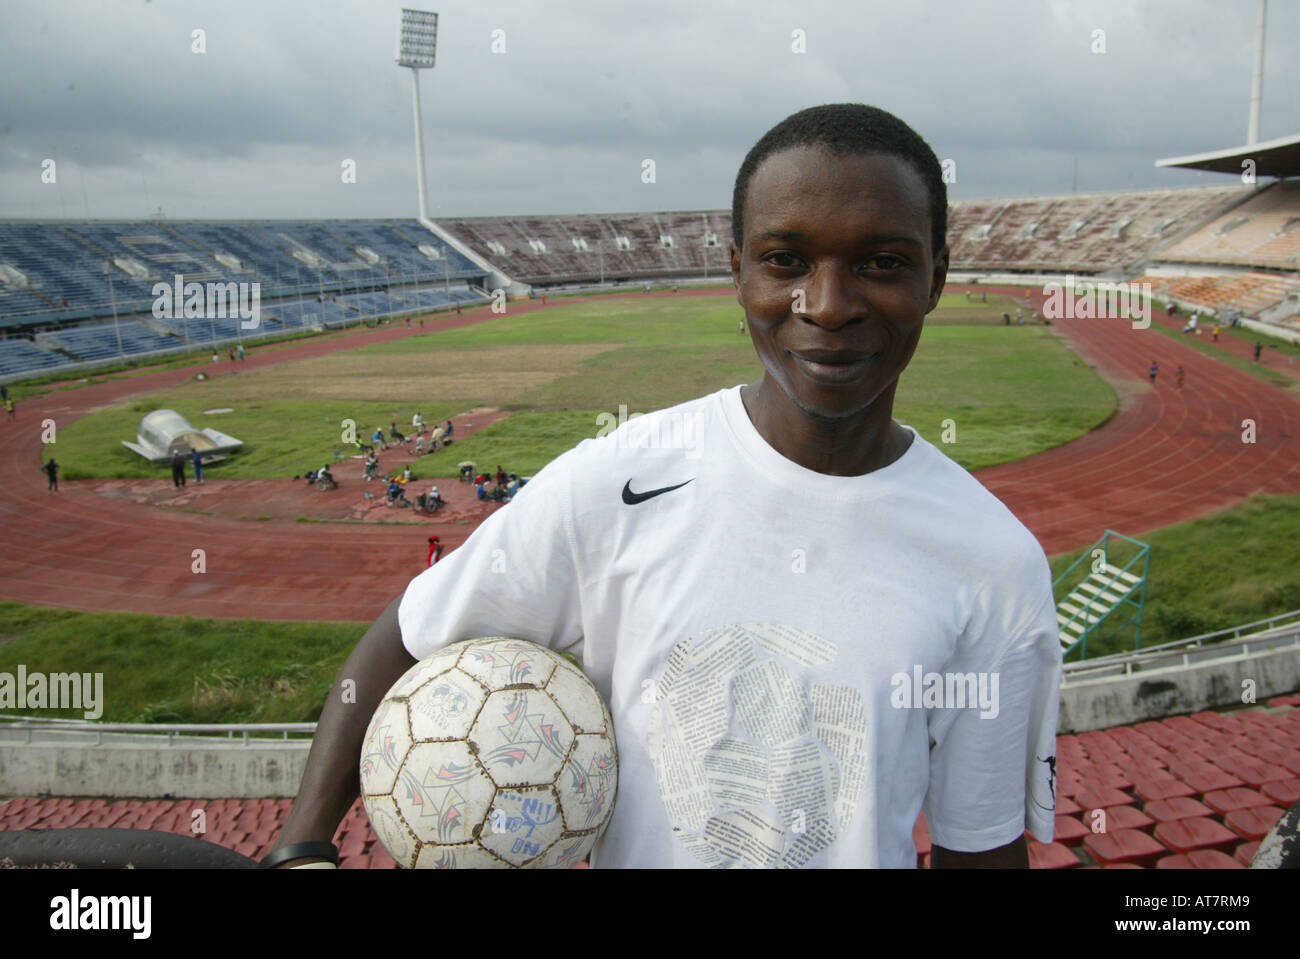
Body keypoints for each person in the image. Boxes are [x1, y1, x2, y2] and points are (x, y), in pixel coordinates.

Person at [273, 103, 1060, 871]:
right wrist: (301, 845)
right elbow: (404, 640)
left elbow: (980, 844)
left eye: (880, 263)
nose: (826, 305)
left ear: (937, 277)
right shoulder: (618, 477)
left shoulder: (992, 562)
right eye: (785, 260)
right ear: (737, 270)